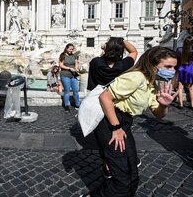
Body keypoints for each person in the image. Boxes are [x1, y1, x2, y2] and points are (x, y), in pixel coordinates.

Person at [81, 46, 178, 197]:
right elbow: (104, 97)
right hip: (110, 121)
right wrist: (116, 127)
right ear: (153, 64)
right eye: (168, 67)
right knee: (122, 180)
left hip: (124, 123)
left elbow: (158, 114)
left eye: (174, 67)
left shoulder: (151, 82)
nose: (172, 71)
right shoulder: (136, 77)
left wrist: (164, 105)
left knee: (132, 172)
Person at [87, 37, 137, 179]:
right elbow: (133, 51)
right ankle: (125, 162)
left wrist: (105, 49)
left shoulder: (96, 63)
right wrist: (122, 40)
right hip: (119, 106)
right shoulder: (124, 64)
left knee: (103, 140)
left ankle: (107, 167)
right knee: (122, 135)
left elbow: (91, 87)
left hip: (100, 106)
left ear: (106, 48)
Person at [176, 36, 193, 109]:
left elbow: (177, 58)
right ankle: (192, 105)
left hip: (182, 68)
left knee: (180, 88)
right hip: (190, 69)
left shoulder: (179, 50)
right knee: (191, 88)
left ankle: (181, 104)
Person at [59, 43, 81, 112]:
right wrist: (69, 68)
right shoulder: (62, 55)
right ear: (66, 48)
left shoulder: (74, 55)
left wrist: (76, 68)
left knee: (76, 90)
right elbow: (60, 65)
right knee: (67, 91)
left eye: (72, 49)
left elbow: (76, 63)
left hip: (73, 75)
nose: (71, 50)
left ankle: (77, 104)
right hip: (65, 75)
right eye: (70, 49)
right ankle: (67, 105)